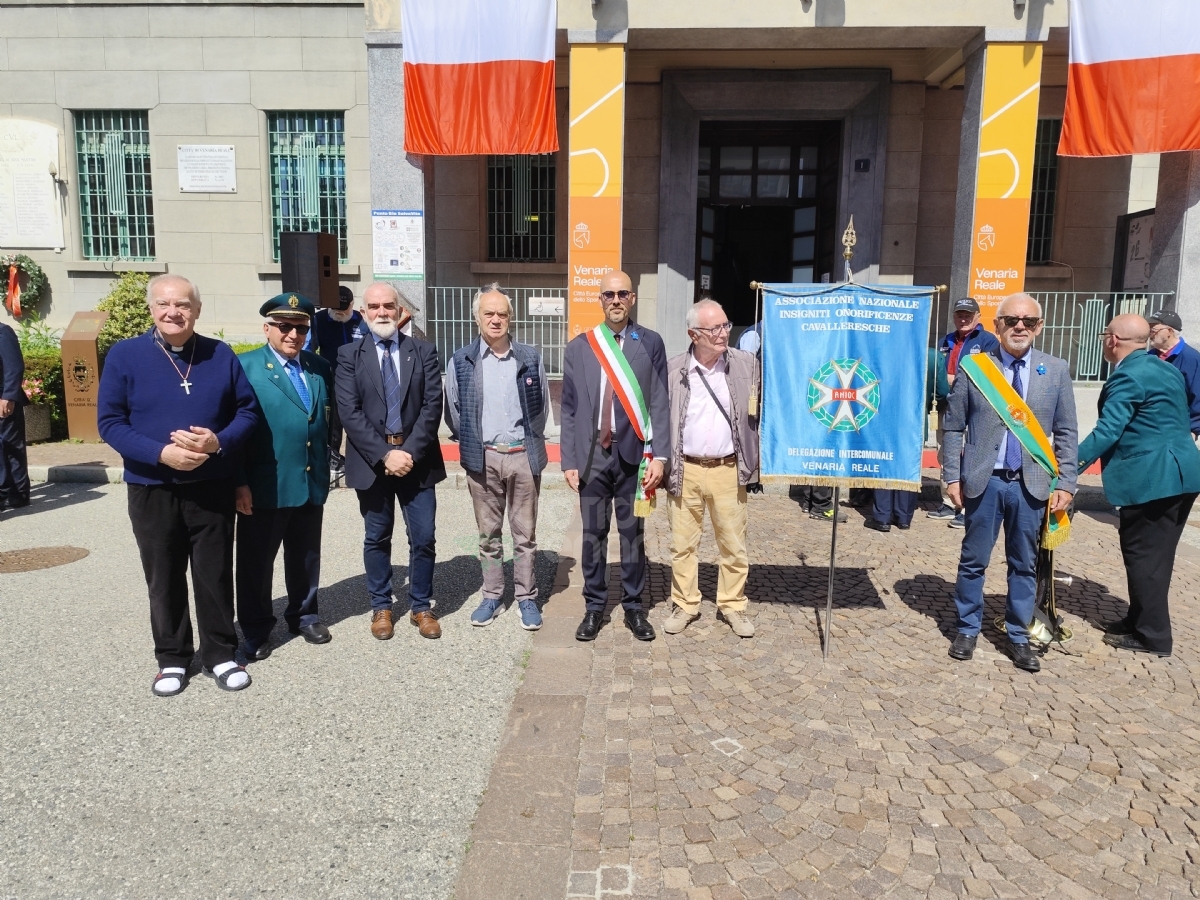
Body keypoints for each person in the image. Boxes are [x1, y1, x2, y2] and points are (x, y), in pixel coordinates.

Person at [97, 274, 260, 696]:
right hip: (153, 486)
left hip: (211, 486)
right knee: (163, 574)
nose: (174, 313)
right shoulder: (125, 355)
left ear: (197, 310)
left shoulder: (219, 355)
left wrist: (217, 441)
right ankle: (172, 658)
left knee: (214, 574)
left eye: (183, 305)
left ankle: (220, 653)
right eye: (165, 304)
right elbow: (110, 423)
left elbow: (247, 412)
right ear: (152, 309)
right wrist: (159, 453)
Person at [941, 293, 1077, 673]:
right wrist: (952, 474)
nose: (1020, 327)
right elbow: (953, 427)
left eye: (1029, 321)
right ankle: (967, 628)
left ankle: (1019, 636)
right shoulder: (975, 368)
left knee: (1024, 565)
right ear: (997, 324)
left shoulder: (1056, 370)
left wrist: (1066, 481)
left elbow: (1067, 431)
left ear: (1040, 327)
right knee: (973, 561)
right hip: (985, 482)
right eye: (1012, 320)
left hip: (1031, 485)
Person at [1079, 314, 1200, 657]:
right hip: (1182, 473)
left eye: (1105, 335)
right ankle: (1138, 619)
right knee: (1154, 556)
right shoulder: (1163, 368)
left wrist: (1065, 466)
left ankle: (1153, 636)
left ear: (1113, 340)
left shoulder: (1129, 376)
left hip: (1154, 478)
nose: (1104, 340)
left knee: (1145, 557)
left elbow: (1108, 431)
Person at [560, 270, 669, 642]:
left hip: (634, 458)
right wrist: (569, 461)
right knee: (593, 534)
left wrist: (661, 457)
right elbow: (570, 409)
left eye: (623, 293)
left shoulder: (650, 342)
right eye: (609, 294)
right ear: (601, 300)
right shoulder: (580, 347)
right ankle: (594, 607)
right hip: (593, 458)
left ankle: (635, 607)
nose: (616, 300)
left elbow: (659, 401)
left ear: (633, 298)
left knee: (633, 534)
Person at [337, 281, 446, 640]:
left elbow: (432, 407)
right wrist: (385, 455)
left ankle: (420, 606)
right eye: (374, 306)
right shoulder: (348, 355)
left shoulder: (424, 351)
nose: (382, 312)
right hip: (372, 462)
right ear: (364, 312)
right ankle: (381, 604)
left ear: (400, 311)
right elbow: (349, 414)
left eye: (388, 306)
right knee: (376, 536)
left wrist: (407, 453)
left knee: (424, 536)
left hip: (418, 459)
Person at [234, 293, 335, 661]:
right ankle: (257, 628)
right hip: (265, 484)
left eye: (301, 327)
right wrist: (238, 481)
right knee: (256, 562)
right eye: (284, 326)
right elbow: (235, 432)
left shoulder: (319, 367)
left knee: (306, 556)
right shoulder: (245, 367)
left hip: (310, 480)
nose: (293, 334)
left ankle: (304, 614)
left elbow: (324, 420)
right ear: (267, 328)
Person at [445, 284, 550, 631]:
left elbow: (541, 407)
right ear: (477, 318)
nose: (495, 319)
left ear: (510, 318)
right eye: (488, 313)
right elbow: (455, 411)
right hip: (484, 459)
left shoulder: (529, 357)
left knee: (525, 535)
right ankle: (492, 595)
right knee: (489, 535)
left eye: (502, 314)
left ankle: (526, 597)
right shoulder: (462, 360)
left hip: (522, 456)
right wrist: (477, 443)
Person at [662, 298, 760, 638]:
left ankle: (732, 605)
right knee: (682, 544)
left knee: (733, 543)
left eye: (725, 325)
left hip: (727, 470)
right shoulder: (674, 370)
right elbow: (659, 420)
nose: (723, 333)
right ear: (693, 333)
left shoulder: (747, 364)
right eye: (714, 328)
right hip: (685, 469)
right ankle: (686, 604)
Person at [930, 297, 1001, 527]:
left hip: (976, 408)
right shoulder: (945, 341)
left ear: (978, 317)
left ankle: (968, 506)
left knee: (972, 455)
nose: (963, 319)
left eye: (968, 315)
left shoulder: (988, 341)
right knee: (946, 453)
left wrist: (956, 380)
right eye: (959, 314)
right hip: (948, 406)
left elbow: (991, 376)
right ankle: (949, 502)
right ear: (953, 317)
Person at [307, 285, 367, 478]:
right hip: (330, 378)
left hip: (359, 380)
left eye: (344, 309)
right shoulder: (319, 320)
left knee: (360, 419)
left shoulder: (362, 321)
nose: (339, 313)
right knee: (333, 422)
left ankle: (362, 455)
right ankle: (332, 456)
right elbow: (309, 350)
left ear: (352, 305)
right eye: (335, 309)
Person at [1147, 309, 1200, 438]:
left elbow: (1197, 396)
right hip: (1149, 428)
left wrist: (1193, 430)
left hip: (1178, 431)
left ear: (1169, 332)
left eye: (1154, 330)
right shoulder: (1148, 357)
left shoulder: (1192, 358)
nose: (1150, 335)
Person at [0, 318, 29, 511]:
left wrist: (9, 396)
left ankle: (18, 493)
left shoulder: (3, 332)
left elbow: (14, 366)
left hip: (3, 398)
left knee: (11, 446)